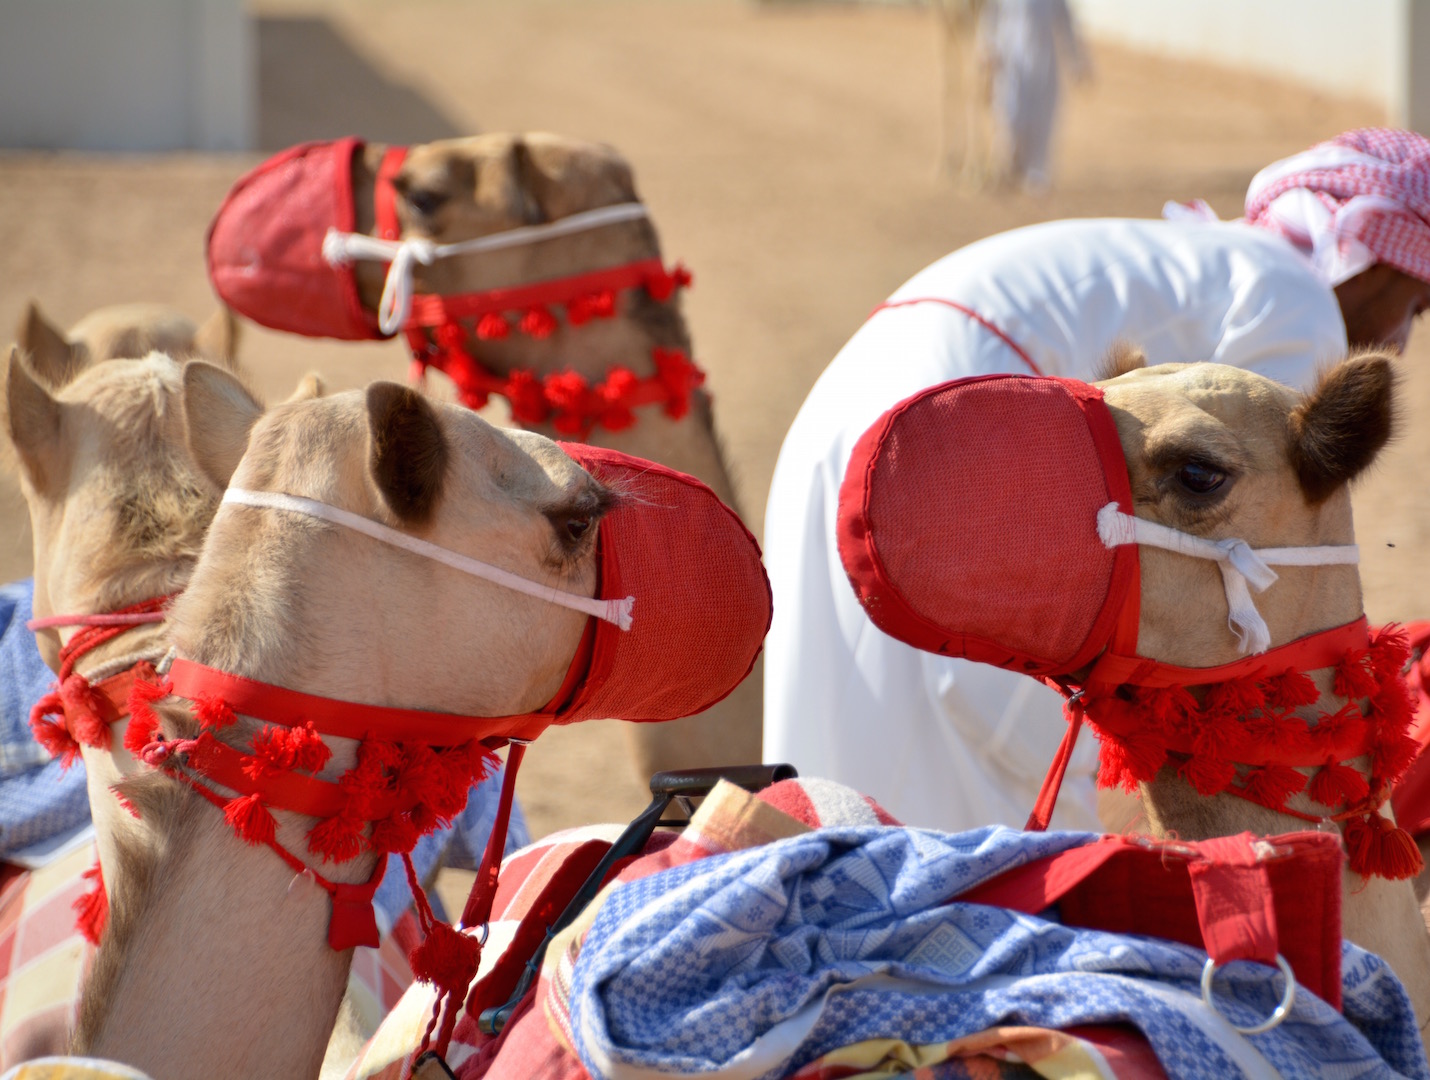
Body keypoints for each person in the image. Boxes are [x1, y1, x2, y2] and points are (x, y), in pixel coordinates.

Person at [763, 127, 1430, 833]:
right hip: (970, 422)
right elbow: (1258, 536)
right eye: (1415, 307)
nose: (1400, 340)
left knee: (842, 724)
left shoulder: (1219, 263)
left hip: (853, 401)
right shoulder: (1297, 298)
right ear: (1372, 262)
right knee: (1003, 774)